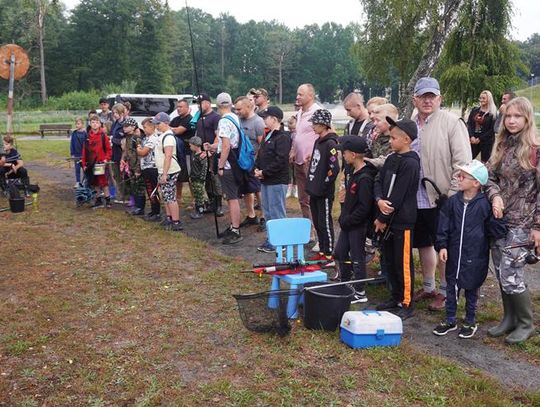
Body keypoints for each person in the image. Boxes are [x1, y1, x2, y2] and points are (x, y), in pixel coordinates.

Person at [410, 77, 472, 312]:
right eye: (423, 96)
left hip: (443, 197)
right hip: (417, 196)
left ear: (439, 99)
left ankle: (447, 292)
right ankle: (428, 287)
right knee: (424, 243)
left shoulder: (451, 122)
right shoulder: (411, 122)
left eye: (432, 96)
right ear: (414, 99)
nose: (428, 100)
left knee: (444, 246)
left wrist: (454, 195)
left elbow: (463, 163)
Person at [485, 96, 539, 344]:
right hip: (500, 220)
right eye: (508, 116)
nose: (512, 121)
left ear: (527, 119)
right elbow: (488, 176)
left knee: (510, 272)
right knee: (500, 270)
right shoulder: (501, 146)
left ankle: (526, 324)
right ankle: (509, 318)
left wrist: (538, 227)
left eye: (517, 116)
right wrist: (495, 197)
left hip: (524, 222)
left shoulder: (535, 150)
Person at [433, 160, 507, 338]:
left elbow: (494, 231)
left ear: (476, 183)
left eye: (463, 176)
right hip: (453, 253)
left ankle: (470, 320)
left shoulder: (484, 205)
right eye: (458, 175)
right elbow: (443, 225)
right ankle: (450, 318)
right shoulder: (452, 202)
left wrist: (499, 218)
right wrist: (442, 245)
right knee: (451, 285)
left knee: (472, 287)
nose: (458, 178)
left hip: (476, 255)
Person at [374, 117, 420, 320]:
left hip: (402, 221)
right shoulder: (391, 159)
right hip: (386, 217)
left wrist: (383, 217)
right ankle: (395, 296)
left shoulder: (411, 163)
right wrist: (378, 200)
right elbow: (379, 180)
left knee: (403, 263)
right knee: (390, 260)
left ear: (407, 140)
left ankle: (407, 301)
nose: (390, 141)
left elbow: (399, 195)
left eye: (393, 138)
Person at [334, 136, 377, 303]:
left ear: (352, 154)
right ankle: (346, 282)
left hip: (357, 226)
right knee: (340, 252)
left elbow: (364, 207)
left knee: (357, 256)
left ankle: (360, 291)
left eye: (343, 153)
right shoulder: (353, 172)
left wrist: (349, 219)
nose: (342, 155)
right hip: (347, 224)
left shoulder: (365, 178)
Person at [204, 92, 244, 245]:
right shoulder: (235, 117)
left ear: (218, 105)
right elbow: (226, 143)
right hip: (234, 161)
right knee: (231, 197)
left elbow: (226, 146)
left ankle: (235, 229)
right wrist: (213, 146)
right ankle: (234, 226)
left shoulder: (223, 121)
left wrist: (220, 165)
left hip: (228, 165)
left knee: (232, 198)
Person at [255, 106, 292, 252]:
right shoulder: (269, 134)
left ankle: (281, 242)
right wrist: (257, 168)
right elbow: (262, 153)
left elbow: (281, 160)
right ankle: (272, 238)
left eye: (266, 117)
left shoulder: (283, 136)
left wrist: (265, 172)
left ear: (274, 119)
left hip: (276, 180)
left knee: (277, 211)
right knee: (268, 210)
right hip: (266, 179)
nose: (264, 120)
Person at [305, 109, 340, 260]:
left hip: (324, 192)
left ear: (324, 125)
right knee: (317, 222)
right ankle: (321, 249)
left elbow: (334, 168)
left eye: (315, 123)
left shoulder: (331, 144)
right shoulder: (317, 142)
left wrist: (324, 184)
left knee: (325, 222)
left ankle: (329, 253)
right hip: (314, 190)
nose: (312, 126)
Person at [290, 83, 322, 246]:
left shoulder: (317, 112)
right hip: (298, 160)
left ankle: (319, 235)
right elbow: (298, 134)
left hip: (311, 162)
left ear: (311, 95)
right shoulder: (300, 112)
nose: (298, 97)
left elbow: (324, 136)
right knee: (303, 199)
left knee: (313, 199)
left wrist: (316, 153)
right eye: (297, 94)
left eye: (301, 94)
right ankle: (309, 231)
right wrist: (293, 150)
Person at [234, 96, 265, 227]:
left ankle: (264, 216)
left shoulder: (258, 122)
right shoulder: (239, 121)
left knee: (258, 189)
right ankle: (251, 215)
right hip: (242, 162)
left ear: (248, 106)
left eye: (239, 109)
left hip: (254, 162)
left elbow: (262, 144)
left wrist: (257, 163)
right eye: (236, 109)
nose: (237, 112)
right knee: (246, 189)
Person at [194, 93, 224, 217]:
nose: (198, 106)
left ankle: (219, 206)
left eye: (200, 103)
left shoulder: (215, 117)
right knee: (205, 179)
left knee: (214, 179)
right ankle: (211, 203)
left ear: (207, 103)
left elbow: (218, 137)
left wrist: (209, 151)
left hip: (212, 153)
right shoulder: (199, 117)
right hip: (201, 153)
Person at [153, 112, 183, 232]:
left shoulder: (169, 137)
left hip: (169, 171)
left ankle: (176, 221)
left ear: (166, 123)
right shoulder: (163, 135)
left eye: (158, 123)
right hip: (163, 170)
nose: (156, 126)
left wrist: (164, 174)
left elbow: (168, 156)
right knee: (165, 195)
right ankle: (169, 217)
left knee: (170, 196)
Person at [81, 115, 112, 209]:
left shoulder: (103, 136)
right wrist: (84, 164)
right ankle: (98, 200)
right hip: (90, 164)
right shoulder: (87, 137)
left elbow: (109, 150)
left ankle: (108, 200)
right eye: (93, 122)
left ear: (100, 124)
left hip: (100, 163)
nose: (95, 124)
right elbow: (84, 152)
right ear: (90, 124)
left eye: (96, 122)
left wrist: (106, 159)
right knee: (94, 183)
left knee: (103, 182)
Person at [169, 99, 194, 203]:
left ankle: (194, 199)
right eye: (177, 107)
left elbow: (179, 130)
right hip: (177, 152)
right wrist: (171, 128)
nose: (178, 109)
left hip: (188, 151)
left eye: (181, 107)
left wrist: (170, 128)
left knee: (190, 176)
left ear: (187, 108)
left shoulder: (190, 119)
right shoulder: (175, 119)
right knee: (178, 175)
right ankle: (178, 197)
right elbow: (167, 129)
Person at [136, 118, 161, 221]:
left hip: (152, 168)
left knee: (153, 190)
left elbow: (143, 152)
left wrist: (138, 147)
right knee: (149, 189)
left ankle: (157, 212)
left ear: (152, 127)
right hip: (145, 167)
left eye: (145, 127)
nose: (144, 130)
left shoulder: (153, 138)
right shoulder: (145, 138)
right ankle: (153, 209)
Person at [121, 118, 146, 216]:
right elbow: (127, 151)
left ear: (133, 127)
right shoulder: (127, 138)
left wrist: (138, 169)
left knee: (139, 188)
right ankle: (136, 206)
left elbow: (139, 154)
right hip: (130, 166)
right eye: (124, 126)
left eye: (127, 126)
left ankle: (140, 208)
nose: (124, 128)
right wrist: (124, 159)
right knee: (133, 187)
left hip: (137, 167)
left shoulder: (136, 138)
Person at [467, 90, 497, 162]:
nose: (481, 100)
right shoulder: (475, 110)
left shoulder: (492, 113)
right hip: (474, 140)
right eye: (480, 98)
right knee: (468, 159)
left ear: (489, 99)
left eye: (483, 98)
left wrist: (480, 139)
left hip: (486, 142)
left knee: (485, 162)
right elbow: (469, 124)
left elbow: (492, 130)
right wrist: (471, 136)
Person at [109, 103, 128, 203]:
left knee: (124, 175)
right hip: (114, 152)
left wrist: (113, 140)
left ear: (121, 113)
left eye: (116, 113)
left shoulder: (125, 124)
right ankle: (120, 195)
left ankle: (127, 196)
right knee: (116, 175)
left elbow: (124, 141)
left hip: (123, 154)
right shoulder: (115, 124)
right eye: (113, 113)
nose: (115, 115)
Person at [187, 135, 208, 220]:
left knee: (199, 195)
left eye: (191, 145)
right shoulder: (194, 154)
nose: (190, 147)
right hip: (194, 177)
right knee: (197, 194)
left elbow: (204, 168)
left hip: (199, 179)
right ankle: (204, 206)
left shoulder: (201, 156)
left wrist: (202, 178)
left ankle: (200, 211)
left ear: (196, 146)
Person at [70, 118, 87, 188]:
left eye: (79, 124)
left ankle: (85, 181)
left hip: (83, 155)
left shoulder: (85, 134)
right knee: (77, 169)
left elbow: (87, 144)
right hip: (76, 155)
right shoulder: (74, 133)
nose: (77, 125)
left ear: (82, 124)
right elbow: (72, 143)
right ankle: (77, 182)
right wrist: (72, 153)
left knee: (85, 169)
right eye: (76, 124)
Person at [286, 115, 298, 198]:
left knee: (296, 173)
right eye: (290, 129)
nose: (292, 130)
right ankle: (289, 189)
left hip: (297, 155)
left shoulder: (298, 134)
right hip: (288, 156)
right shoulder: (288, 134)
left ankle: (295, 189)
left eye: (294, 129)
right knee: (289, 173)